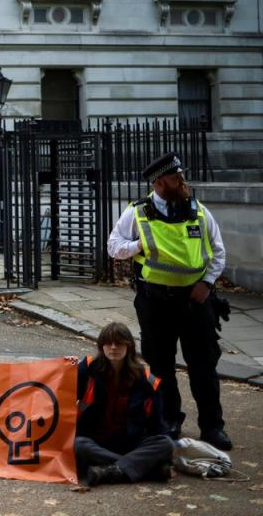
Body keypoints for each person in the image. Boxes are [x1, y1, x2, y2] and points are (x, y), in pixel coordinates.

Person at [107, 151, 230, 451]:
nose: (182, 180)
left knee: (203, 365)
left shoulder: (198, 211)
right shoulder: (138, 212)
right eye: (176, 177)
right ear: (160, 182)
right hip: (155, 302)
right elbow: (114, 246)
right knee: (161, 367)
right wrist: (139, 245)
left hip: (195, 301)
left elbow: (218, 252)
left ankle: (212, 427)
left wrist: (206, 283)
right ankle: (169, 421)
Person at [74, 322, 174, 487]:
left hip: (131, 444)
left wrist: (164, 451)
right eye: (108, 343)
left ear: (129, 347)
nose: (113, 347)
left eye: (119, 343)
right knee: (78, 444)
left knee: (166, 443)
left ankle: (108, 471)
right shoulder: (87, 369)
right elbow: (61, 394)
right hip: (96, 442)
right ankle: (147, 470)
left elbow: (158, 426)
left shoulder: (146, 380)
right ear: (101, 346)